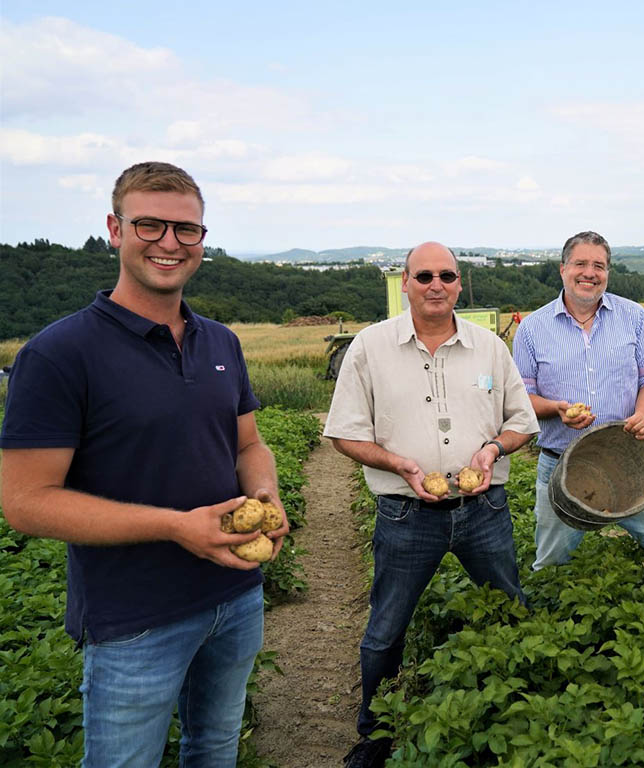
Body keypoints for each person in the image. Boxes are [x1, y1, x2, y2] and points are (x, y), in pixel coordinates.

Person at [0, 161, 286, 767]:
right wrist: (176, 527)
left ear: (203, 239)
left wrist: (266, 497)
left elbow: (248, 446)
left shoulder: (221, 342)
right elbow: (24, 501)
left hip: (235, 595)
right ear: (115, 228)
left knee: (214, 749)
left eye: (187, 230)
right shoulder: (59, 354)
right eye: (149, 225)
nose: (169, 243)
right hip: (135, 616)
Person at [324, 241, 538, 768]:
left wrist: (491, 448)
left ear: (460, 283)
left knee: (508, 609)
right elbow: (344, 434)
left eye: (446, 275)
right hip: (405, 513)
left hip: (483, 510)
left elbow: (522, 422)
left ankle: (515, 712)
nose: (436, 284)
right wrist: (400, 464)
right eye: (424, 276)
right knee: (386, 628)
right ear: (406, 283)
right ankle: (374, 732)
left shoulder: (489, 347)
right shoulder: (370, 347)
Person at [513, 231, 644, 571]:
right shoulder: (532, 329)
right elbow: (522, 399)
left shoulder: (633, 317)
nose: (589, 273)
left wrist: (642, 413)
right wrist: (555, 409)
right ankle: (551, 620)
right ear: (563, 269)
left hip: (625, 457)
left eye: (599, 265)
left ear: (608, 272)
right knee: (552, 562)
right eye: (580, 263)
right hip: (560, 462)